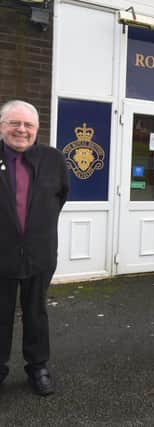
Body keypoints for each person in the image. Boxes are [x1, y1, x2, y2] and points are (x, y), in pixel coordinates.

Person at [0, 100, 69, 395]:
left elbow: (61, 196)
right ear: (2, 126)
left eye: (28, 125)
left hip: (39, 252)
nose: (21, 130)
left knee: (36, 312)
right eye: (14, 123)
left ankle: (38, 367)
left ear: (37, 129)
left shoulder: (53, 159)